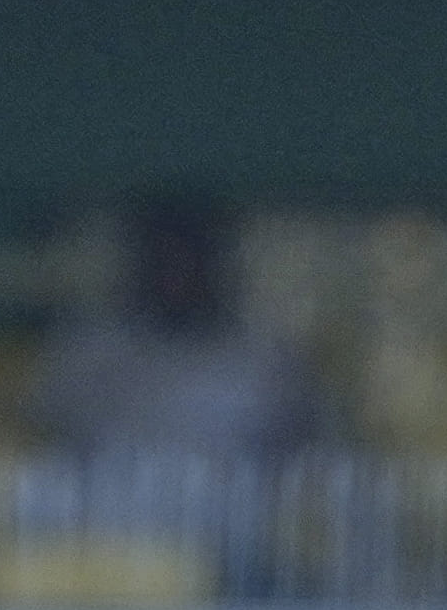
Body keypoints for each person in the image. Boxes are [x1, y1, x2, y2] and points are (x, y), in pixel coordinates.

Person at [29, 194, 325, 463]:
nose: (176, 276)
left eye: (189, 260)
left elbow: (307, 453)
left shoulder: (265, 358)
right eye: (163, 261)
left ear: (214, 268)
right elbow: (47, 441)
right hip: (111, 518)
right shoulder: (88, 351)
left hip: (230, 515)